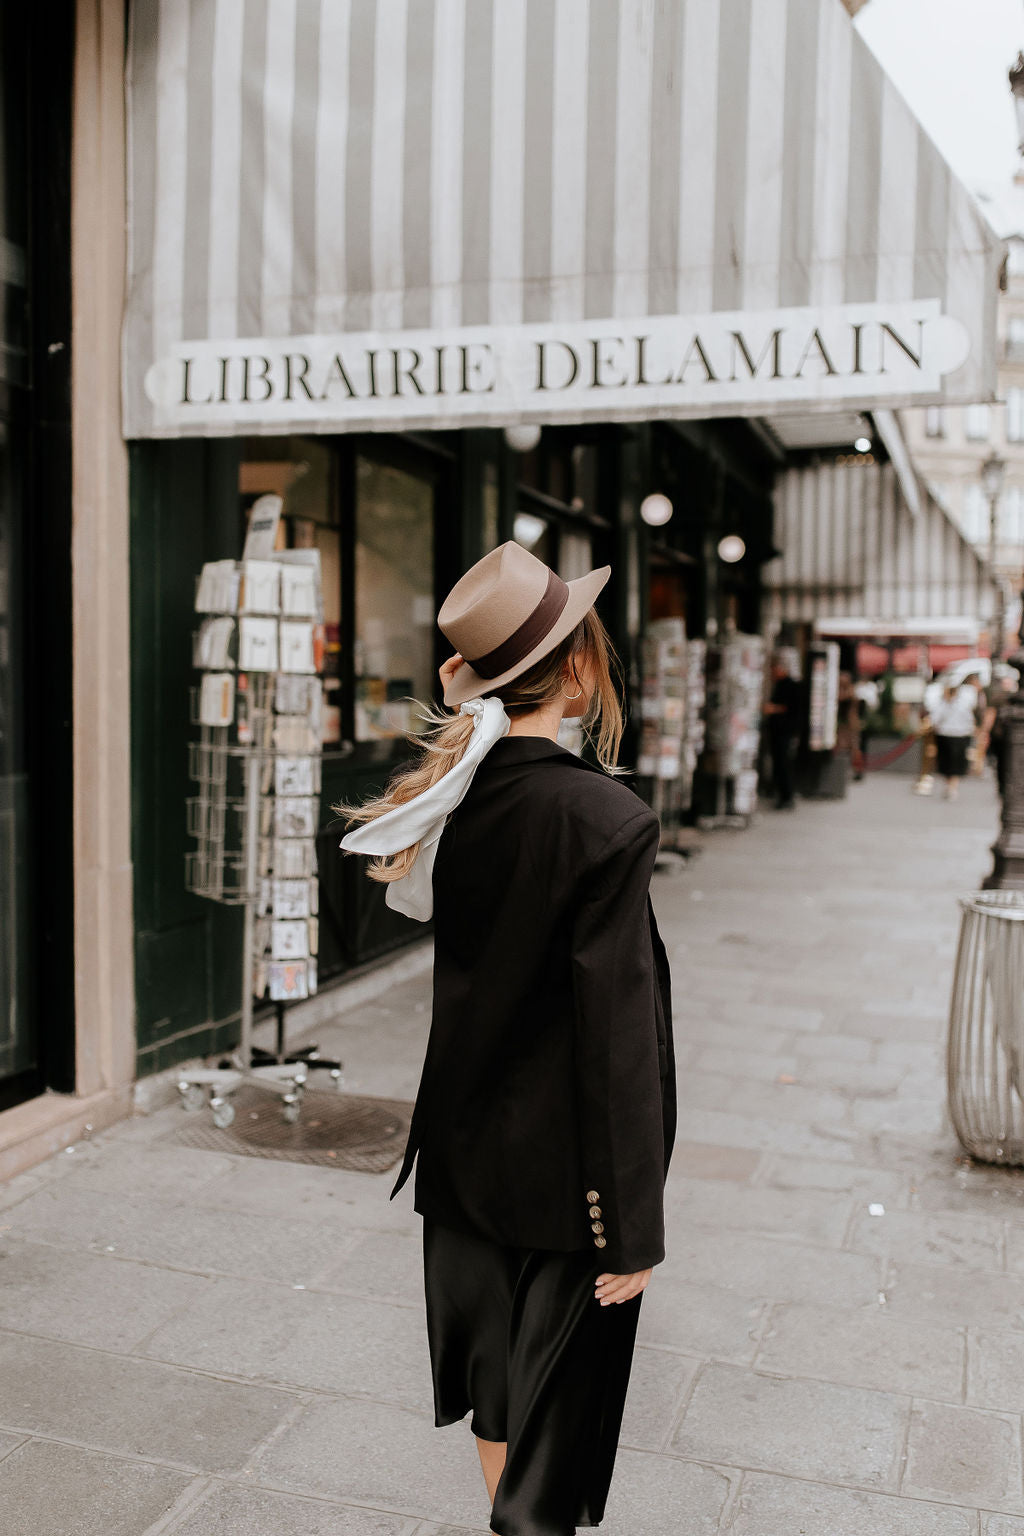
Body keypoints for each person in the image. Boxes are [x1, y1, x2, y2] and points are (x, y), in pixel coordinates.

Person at [338, 541, 676, 1536]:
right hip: (569, 1186)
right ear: (578, 670)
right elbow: (616, 1042)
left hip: (462, 1162)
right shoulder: (605, 820)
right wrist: (632, 1225)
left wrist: (468, 686)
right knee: (549, 1465)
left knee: (498, 1402)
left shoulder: (452, 800)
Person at [929, 678, 980, 800]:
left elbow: (969, 717)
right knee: (946, 761)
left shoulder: (964, 701)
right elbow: (936, 717)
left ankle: (952, 786)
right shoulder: (942, 701)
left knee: (957, 761)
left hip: (960, 734)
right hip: (945, 733)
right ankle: (949, 784)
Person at [764, 656, 802, 809]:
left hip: (785, 731)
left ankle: (786, 796)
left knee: (784, 764)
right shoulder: (779, 685)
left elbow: (792, 708)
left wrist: (773, 709)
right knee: (779, 764)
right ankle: (781, 794)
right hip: (778, 731)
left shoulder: (791, 686)